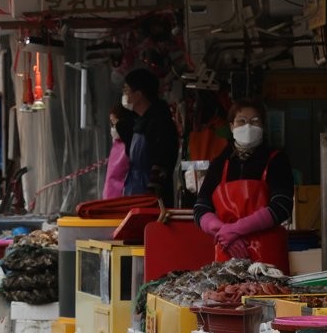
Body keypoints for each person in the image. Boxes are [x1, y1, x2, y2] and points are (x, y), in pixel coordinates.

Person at [194, 100, 294, 272]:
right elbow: (200, 208)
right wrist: (224, 232)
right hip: (228, 251)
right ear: (232, 126)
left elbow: (282, 205)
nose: (248, 126)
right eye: (241, 121)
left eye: (255, 121)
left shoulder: (276, 160)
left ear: (263, 126)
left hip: (268, 255)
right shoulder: (220, 163)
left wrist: (236, 229)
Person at [121, 68, 179, 205]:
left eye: (127, 90)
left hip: (149, 198)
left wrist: (151, 195)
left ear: (139, 95)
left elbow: (163, 160)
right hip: (134, 190)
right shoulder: (139, 122)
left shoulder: (159, 122)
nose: (125, 95)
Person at [104, 105, 133, 199]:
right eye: (112, 123)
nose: (113, 127)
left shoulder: (128, 144)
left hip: (122, 195)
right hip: (111, 194)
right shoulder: (117, 144)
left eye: (115, 122)